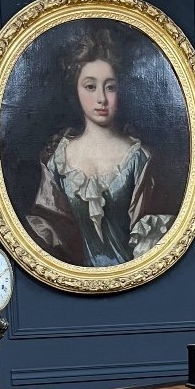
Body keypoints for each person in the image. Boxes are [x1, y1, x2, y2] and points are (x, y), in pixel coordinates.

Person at [26, 29, 175, 267]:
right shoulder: (58, 159)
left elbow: (152, 234)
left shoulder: (139, 158)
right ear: (76, 89)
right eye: (90, 86)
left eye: (110, 87)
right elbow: (49, 230)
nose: (101, 99)